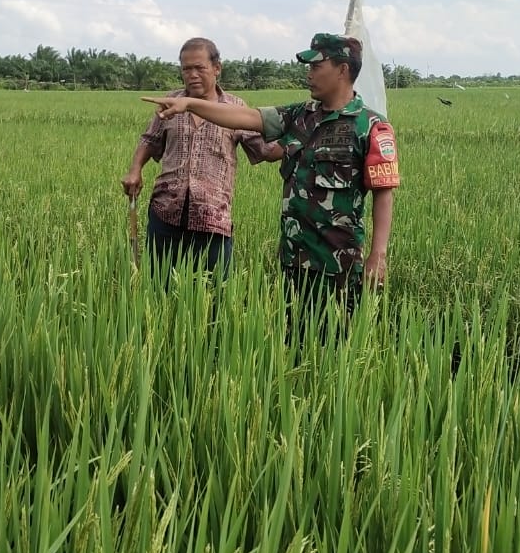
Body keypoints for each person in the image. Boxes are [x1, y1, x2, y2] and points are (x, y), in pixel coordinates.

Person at [142, 32, 398, 333]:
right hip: (293, 256)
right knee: (293, 339)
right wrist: (189, 104)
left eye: (316, 66)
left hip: (338, 262)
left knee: (335, 342)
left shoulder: (371, 126)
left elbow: (384, 192)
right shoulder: (298, 117)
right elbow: (243, 116)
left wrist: (378, 255)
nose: (309, 73)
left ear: (342, 69)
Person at [121, 37, 281, 279]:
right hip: (166, 210)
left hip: (212, 216)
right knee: (158, 287)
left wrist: (300, 140)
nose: (192, 74)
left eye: (199, 68)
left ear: (217, 68)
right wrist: (135, 170)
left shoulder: (235, 107)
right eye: (186, 69)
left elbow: (264, 149)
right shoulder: (170, 102)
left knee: (214, 293)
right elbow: (149, 139)